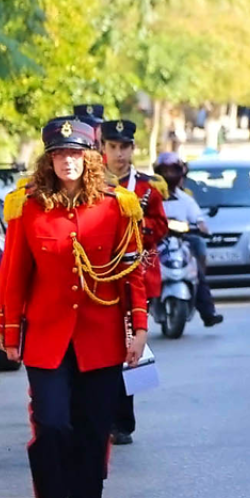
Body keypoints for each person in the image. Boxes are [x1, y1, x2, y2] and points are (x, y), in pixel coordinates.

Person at [0, 118, 148, 498]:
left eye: (76, 154)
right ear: (50, 159)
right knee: (52, 427)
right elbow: (14, 275)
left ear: (89, 156)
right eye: (60, 154)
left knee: (92, 433)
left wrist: (138, 328)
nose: (68, 162)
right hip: (46, 338)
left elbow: (131, 272)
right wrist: (7, 330)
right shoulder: (29, 207)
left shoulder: (118, 206)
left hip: (100, 339)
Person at [99, 118, 168, 447]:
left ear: (132, 148)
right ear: (103, 148)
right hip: (102, 276)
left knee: (129, 347)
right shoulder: (93, 183)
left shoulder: (148, 187)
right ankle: (101, 414)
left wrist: (139, 230)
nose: (119, 154)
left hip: (137, 272)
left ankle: (122, 421)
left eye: (124, 147)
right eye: (113, 147)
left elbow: (161, 225)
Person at [153, 152, 224, 327]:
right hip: (153, 242)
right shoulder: (149, 196)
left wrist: (202, 227)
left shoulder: (186, 198)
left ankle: (208, 312)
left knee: (197, 269)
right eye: (165, 171)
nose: (169, 175)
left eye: (173, 171)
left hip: (181, 242)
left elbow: (198, 219)